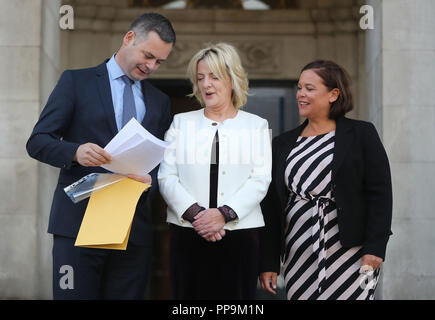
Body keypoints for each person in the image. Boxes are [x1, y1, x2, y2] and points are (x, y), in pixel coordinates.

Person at [26, 13, 175, 299]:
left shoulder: (159, 100)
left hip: (133, 232)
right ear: (129, 38)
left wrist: (150, 181)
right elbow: (37, 142)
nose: (151, 66)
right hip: (79, 223)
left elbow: (161, 162)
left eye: (159, 61)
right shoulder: (75, 82)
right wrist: (75, 151)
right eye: (148, 55)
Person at [259, 60, 393, 300]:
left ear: (333, 94)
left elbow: (380, 194)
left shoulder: (362, 134)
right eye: (299, 87)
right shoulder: (282, 143)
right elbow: (271, 207)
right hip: (299, 250)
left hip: (353, 251)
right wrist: (269, 260)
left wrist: (376, 247)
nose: (301, 94)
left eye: (309, 88)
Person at [158, 43, 272, 300]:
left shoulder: (256, 126)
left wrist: (223, 215)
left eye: (214, 76)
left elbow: (260, 179)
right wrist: (198, 216)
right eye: (200, 78)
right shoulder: (181, 122)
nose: (206, 84)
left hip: (239, 234)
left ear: (233, 79)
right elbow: (166, 177)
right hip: (189, 231)